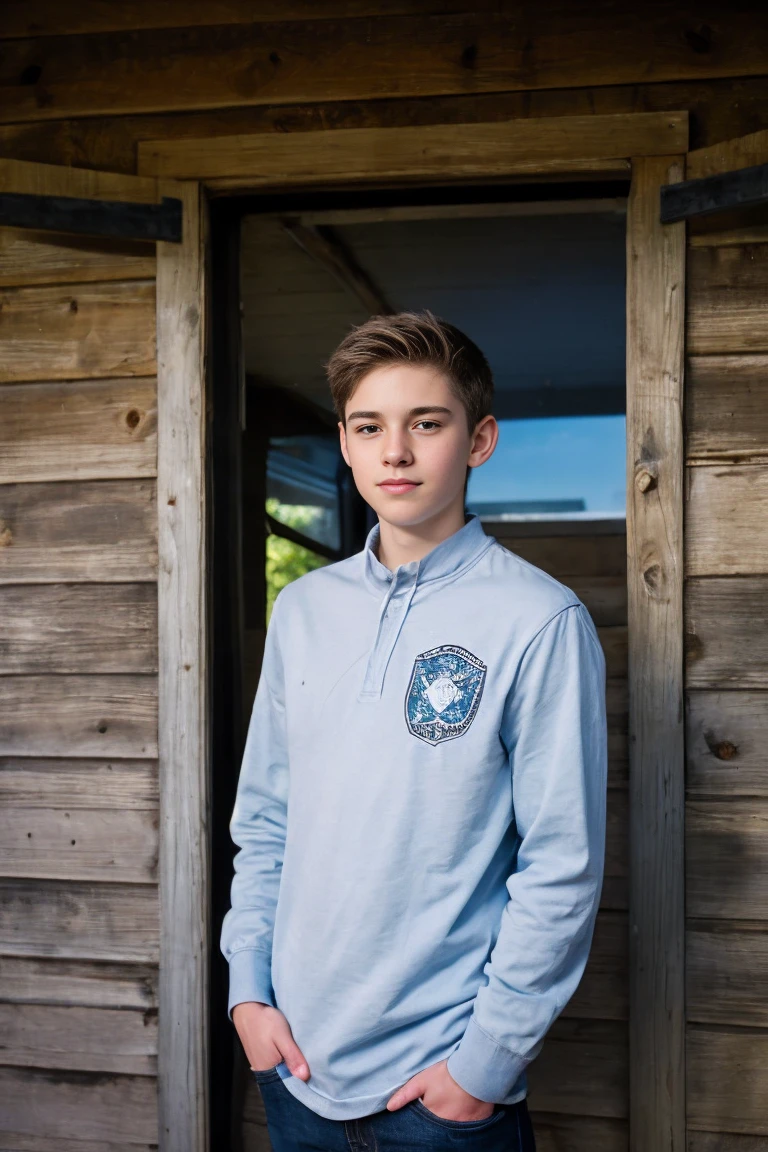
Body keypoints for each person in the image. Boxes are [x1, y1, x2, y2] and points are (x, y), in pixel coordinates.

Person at [220, 310, 608, 1152]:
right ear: (348, 445)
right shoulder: (303, 611)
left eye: (426, 423)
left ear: (479, 440)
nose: (395, 451)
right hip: (295, 1068)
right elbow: (266, 822)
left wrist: (483, 1070)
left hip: (442, 1095)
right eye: (371, 427)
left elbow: (562, 865)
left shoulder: (539, 620)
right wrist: (249, 995)